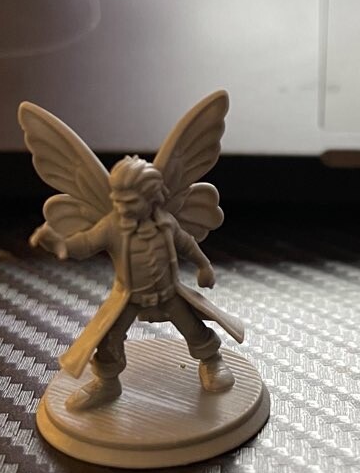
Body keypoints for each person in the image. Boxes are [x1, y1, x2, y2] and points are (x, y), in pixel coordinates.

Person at [31, 155, 235, 411]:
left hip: (169, 293)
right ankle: (107, 383)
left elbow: (186, 244)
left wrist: (204, 265)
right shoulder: (112, 227)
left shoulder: (166, 223)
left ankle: (211, 361)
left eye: (130, 201)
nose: (121, 206)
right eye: (117, 199)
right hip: (128, 298)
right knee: (108, 340)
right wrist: (58, 243)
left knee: (193, 328)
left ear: (152, 197)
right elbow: (85, 244)